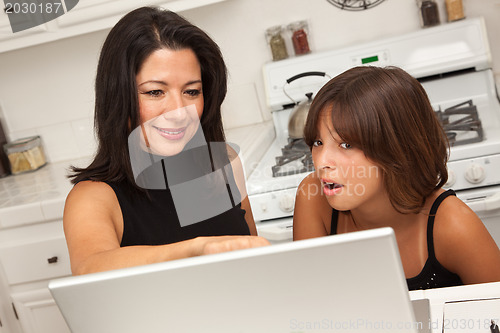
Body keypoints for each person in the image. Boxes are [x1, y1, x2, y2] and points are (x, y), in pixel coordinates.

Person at [64, 6, 269, 275]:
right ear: (118, 96)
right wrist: (195, 250)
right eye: (155, 92)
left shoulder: (224, 161)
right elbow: (90, 268)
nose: (179, 111)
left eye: (192, 91)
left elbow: (257, 262)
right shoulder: (93, 197)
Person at [293, 66, 500, 290]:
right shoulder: (313, 198)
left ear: (397, 148)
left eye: (346, 144)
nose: (322, 161)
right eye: (317, 142)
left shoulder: (454, 225)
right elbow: (309, 302)